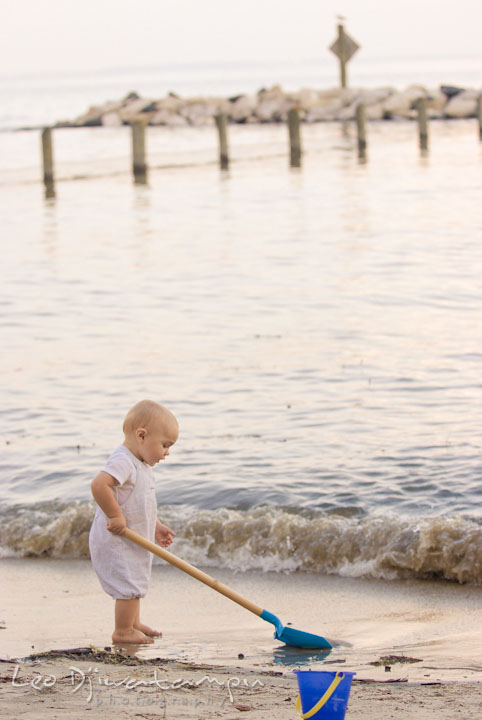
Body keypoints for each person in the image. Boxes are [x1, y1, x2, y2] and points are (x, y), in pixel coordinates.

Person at [89, 399, 178, 644]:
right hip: (117, 538)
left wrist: (156, 525)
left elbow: (139, 502)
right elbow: (99, 485)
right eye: (165, 445)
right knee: (128, 585)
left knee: (136, 580)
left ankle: (133, 623)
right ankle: (122, 630)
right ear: (141, 435)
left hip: (135, 538)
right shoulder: (123, 461)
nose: (167, 452)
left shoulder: (140, 464)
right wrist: (115, 515)